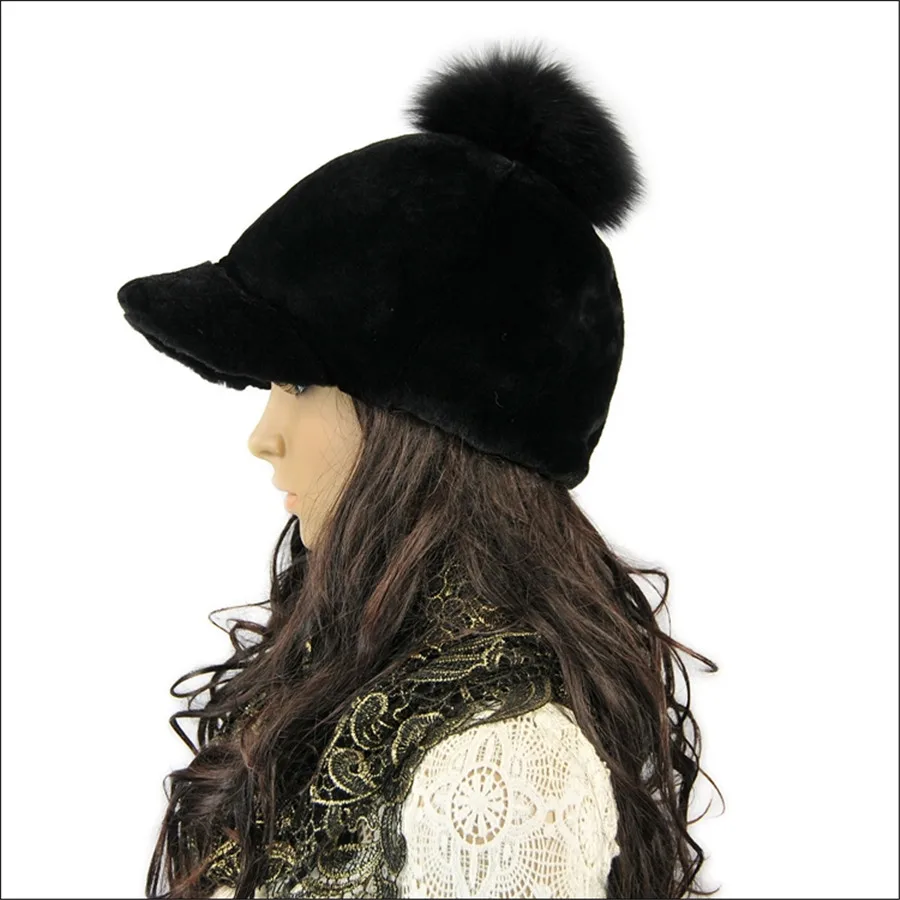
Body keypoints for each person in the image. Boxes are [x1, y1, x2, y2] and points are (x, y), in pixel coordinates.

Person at [118, 39, 723, 899]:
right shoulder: (341, 692)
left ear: (421, 425)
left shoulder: (501, 773)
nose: (264, 435)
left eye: (298, 383)